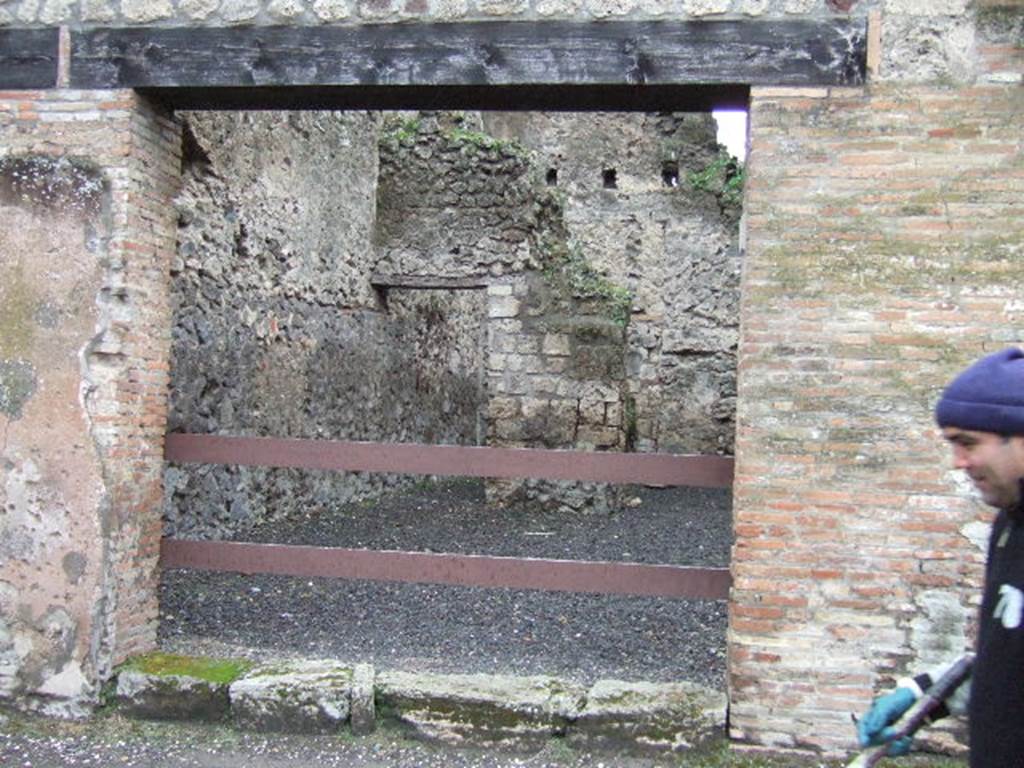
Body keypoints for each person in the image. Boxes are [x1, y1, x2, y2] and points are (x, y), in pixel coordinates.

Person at [856, 346, 1024, 767]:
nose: (958, 462)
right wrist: (922, 696)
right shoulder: (1010, 526)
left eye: (968, 443)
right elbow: (1008, 658)